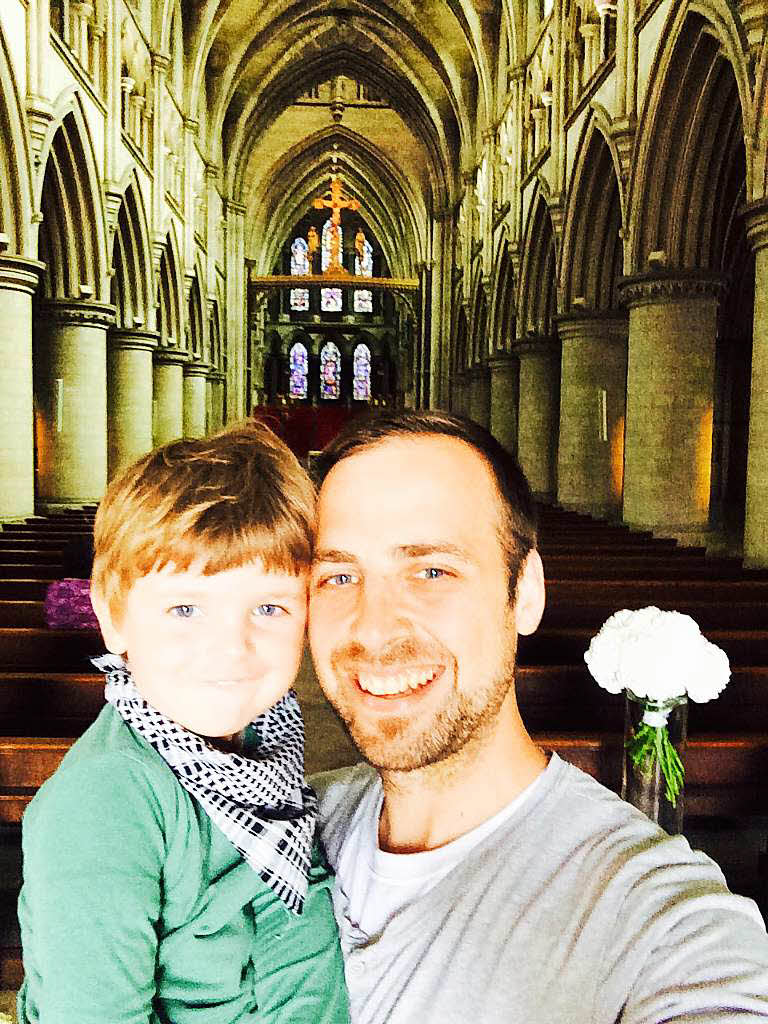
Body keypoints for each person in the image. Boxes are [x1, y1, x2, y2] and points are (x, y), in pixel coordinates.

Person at [308, 409, 768, 1023]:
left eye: (431, 571)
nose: (372, 626)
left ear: (525, 591)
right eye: (338, 575)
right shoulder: (283, 818)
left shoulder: (652, 910)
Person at [17, 422, 349, 1024]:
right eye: (185, 609)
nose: (230, 647)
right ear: (113, 617)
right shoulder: (109, 800)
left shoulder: (265, 748)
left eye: (269, 607)